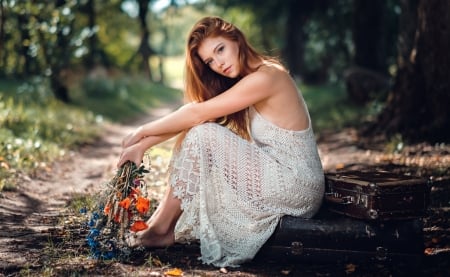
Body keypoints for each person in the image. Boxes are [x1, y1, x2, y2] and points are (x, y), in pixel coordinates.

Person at [117, 16, 325, 267]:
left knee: (204, 135)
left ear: (235, 38)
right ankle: (158, 227)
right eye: (210, 61)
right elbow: (194, 115)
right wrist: (140, 145)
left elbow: (196, 114)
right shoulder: (247, 79)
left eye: (220, 49)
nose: (219, 63)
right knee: (200, 130)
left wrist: (140, 133)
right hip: (282, 176)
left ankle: (160, 229)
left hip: (297, 184)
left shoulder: (268, 77)